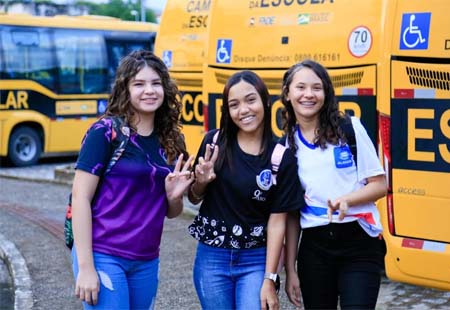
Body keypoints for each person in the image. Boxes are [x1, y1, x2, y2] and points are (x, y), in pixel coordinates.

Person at [71, 50, 194, 309]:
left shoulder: (171, 141)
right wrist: (85, 267)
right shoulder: (105, 133)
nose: (149, 90)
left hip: (147, 258)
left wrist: (174, 197)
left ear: (165, 89)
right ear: (125, 89)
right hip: (104, 253)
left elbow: (172, 212)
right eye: (139, 84)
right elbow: (80, 198)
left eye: (156, 83)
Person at [187, 70, 304, 310]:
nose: (244, 110)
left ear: (265, 101)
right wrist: (201, 181)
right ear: (227, 111)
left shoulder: (282, 156)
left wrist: (270, 278)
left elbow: (278, 222)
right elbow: (193, 196)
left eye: (251, 100)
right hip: (212, 258)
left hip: (256, 259)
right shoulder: (213, 143)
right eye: (234, 104)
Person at [281, 60, 387, 309]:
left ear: (326, 93)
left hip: (359, 243)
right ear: (287, 93)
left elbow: (380, 185)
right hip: (314, 248)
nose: (309, 94)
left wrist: (347, 199)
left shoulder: (349, 129)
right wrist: (290, 270)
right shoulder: (286, 146)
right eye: (301, 87)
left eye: (317, 87)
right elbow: (292, 214)